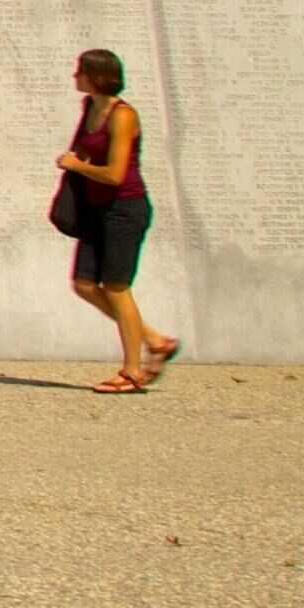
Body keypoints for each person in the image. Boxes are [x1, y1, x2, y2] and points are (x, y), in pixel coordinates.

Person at [59, 47, 179, 393]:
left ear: (97, 76)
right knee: (84, 284)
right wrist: (76, 159)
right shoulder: (89, 107)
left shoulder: (122, 116)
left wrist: (77, 166)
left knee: (117, 287)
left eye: (80, 70)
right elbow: (83, 148)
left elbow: (114, 174)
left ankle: (132, 372)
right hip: (96, 210)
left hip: (125, 209)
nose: (74, 76)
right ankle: (156, 341)